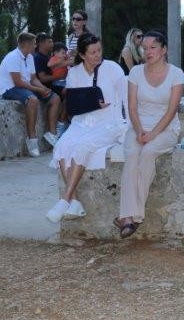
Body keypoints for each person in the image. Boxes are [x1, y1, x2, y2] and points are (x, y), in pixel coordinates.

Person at [47, 34, 127, 223]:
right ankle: (74, 202)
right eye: (93, 52)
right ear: (82, 55)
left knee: (82, 146)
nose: (98, 55)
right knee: (61, 147)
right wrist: (91, 104)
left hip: (108, 123)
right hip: (81, 122)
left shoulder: (113, 69)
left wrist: (128, 129)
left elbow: (126, 99)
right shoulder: (74, 73)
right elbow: (73, 104)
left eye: (99, 50)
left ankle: (65, 199)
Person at [116, 31, 184, 238]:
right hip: (138, 127)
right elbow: (132, 107)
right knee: (132, 156)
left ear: (164, 50)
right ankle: (130, 218)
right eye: (144, 48)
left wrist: (153, 134)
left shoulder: (176, 74)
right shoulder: (135, 72)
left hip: (166, 128)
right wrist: (139, 131)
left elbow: (171, 111)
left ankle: (130, 216)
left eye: (153, 47)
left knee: (148, 153)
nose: (148, 52)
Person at [0, 32, 59, 156]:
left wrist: (43, 88)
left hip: (25, 86)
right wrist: (38, 90)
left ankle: (51, 134)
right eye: (34, 44)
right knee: (33, 100)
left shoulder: (30, 57)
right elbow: (18, 82)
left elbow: (33, 79)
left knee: (55, 98)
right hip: (10, 88)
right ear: (26, 44)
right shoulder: (13, 57)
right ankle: (32, 139)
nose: (35, 46)